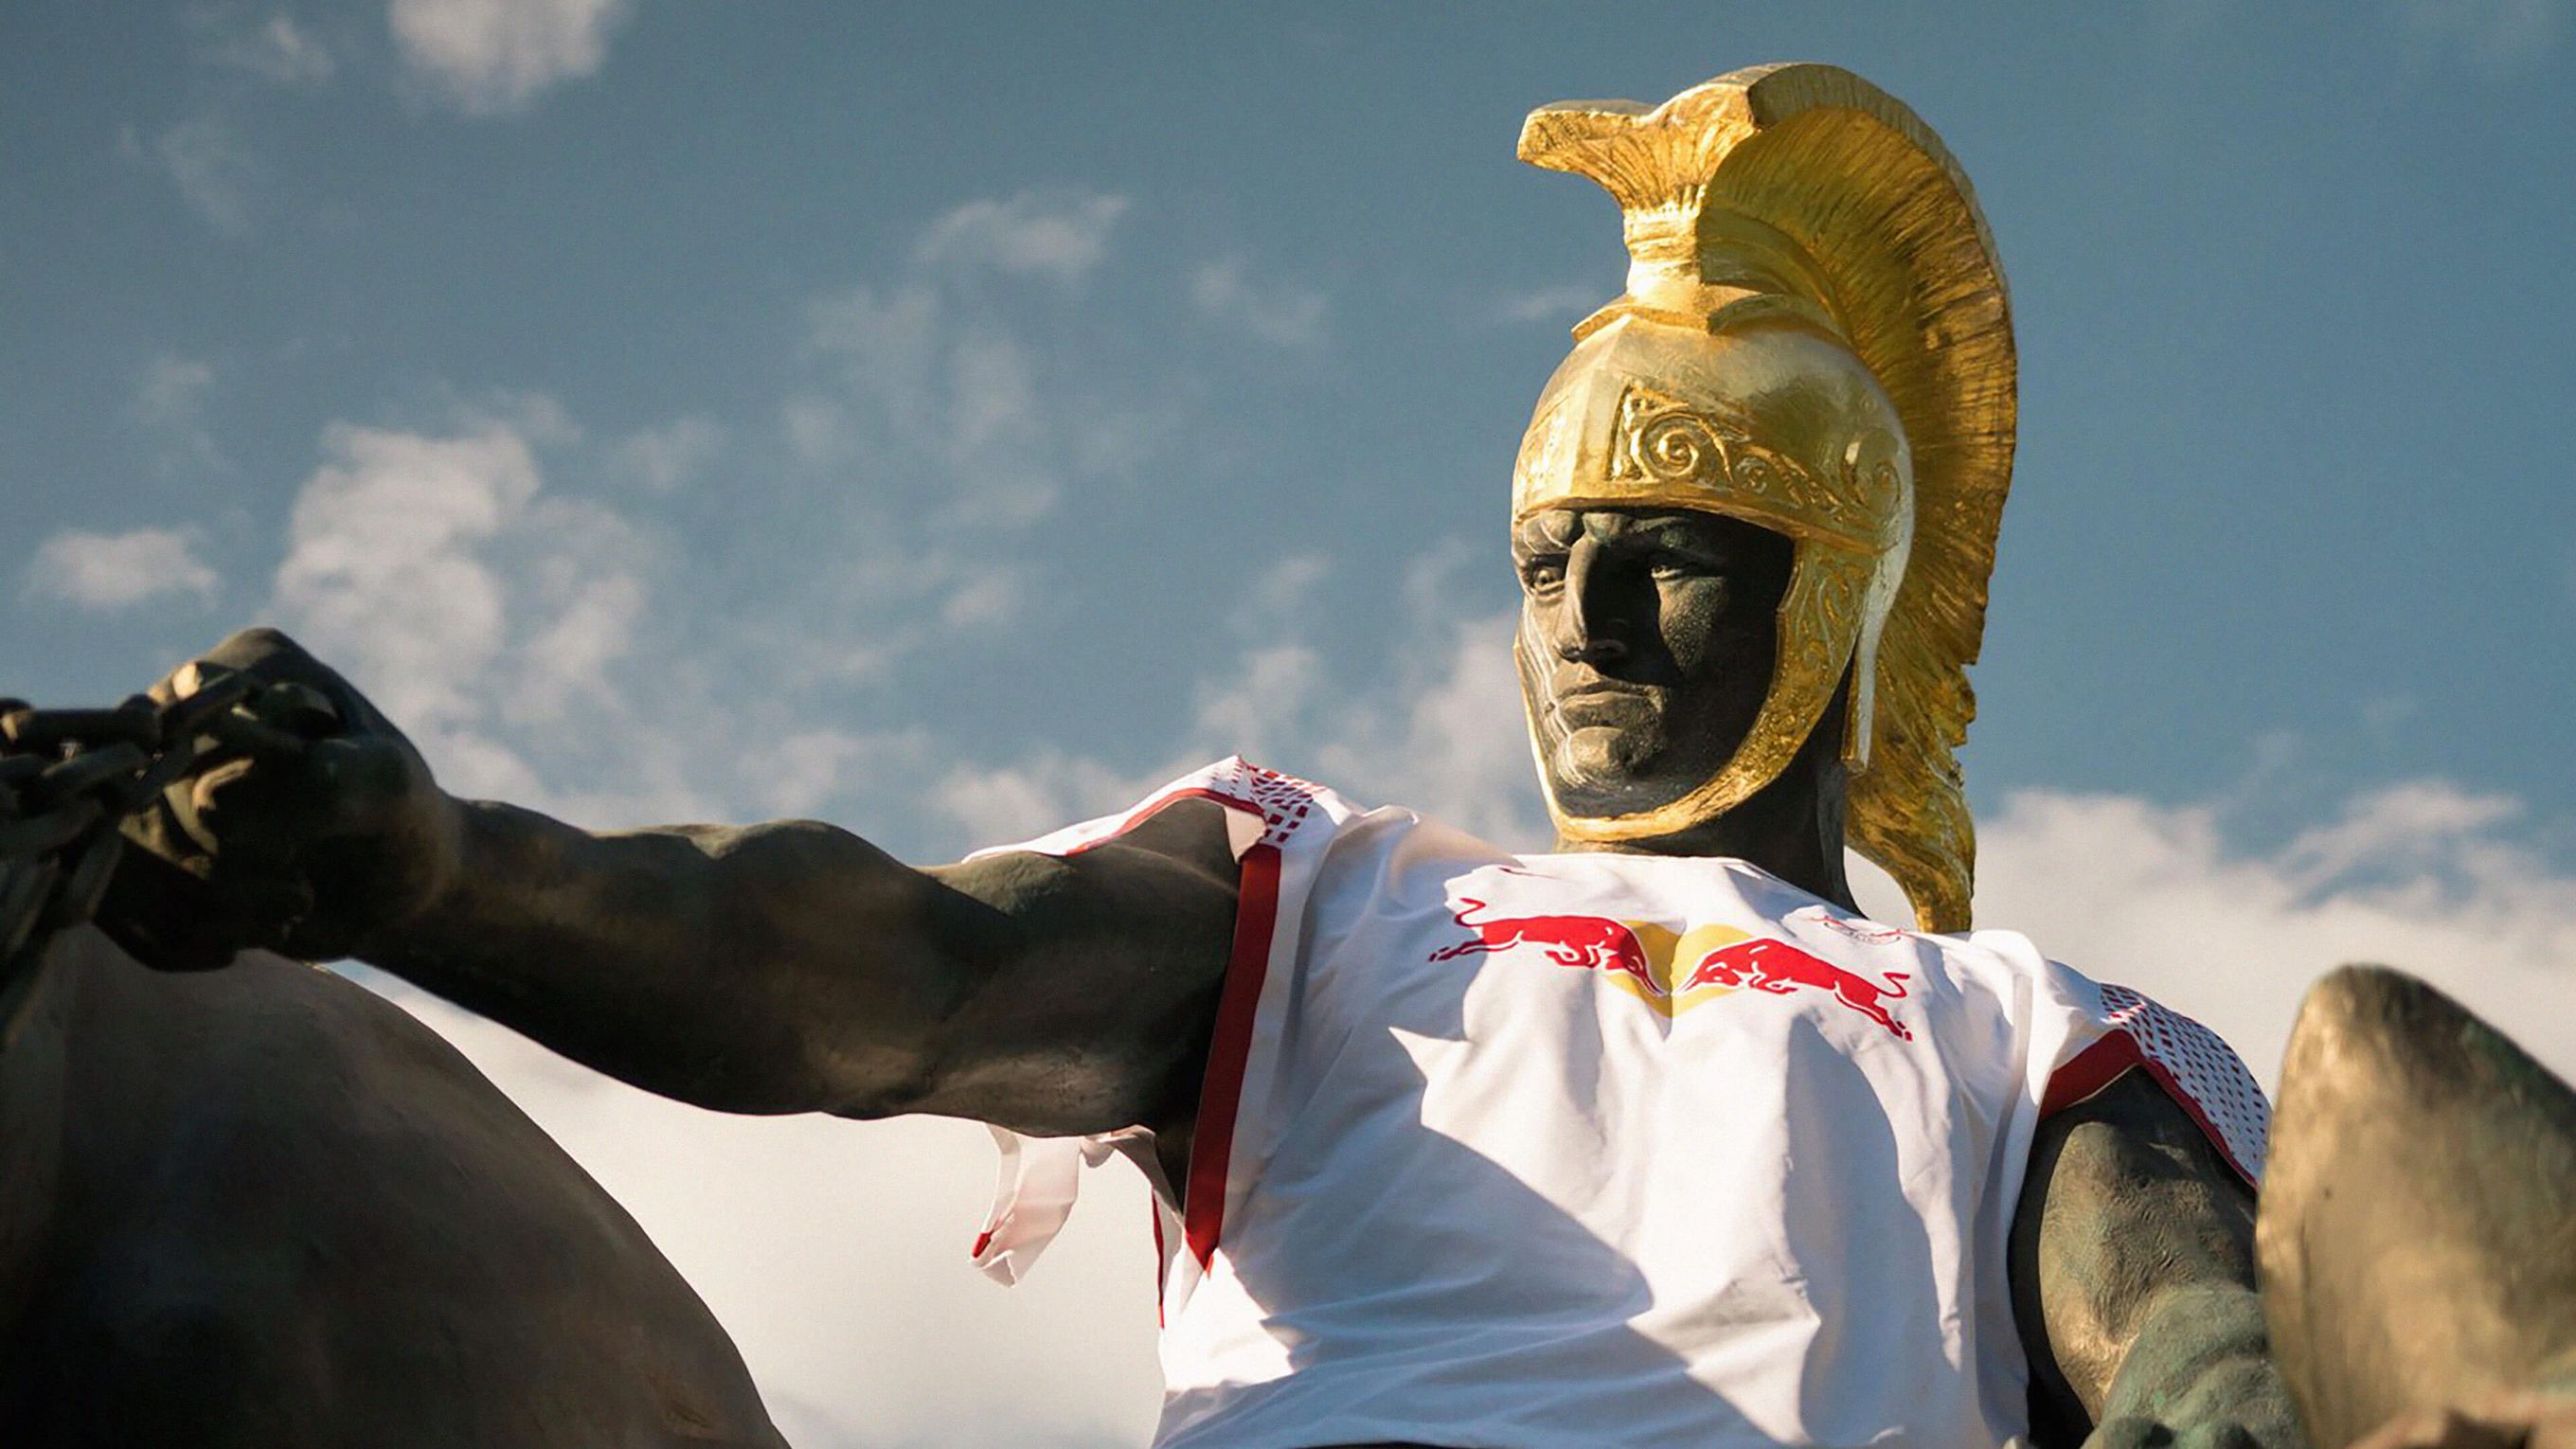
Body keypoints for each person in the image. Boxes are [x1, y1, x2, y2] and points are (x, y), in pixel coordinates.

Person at [118, 65, 2301, 1448]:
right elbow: (896, 969)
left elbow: (2198, 1360)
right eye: (1550, 560)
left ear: (1831, 595)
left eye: (1673, 562)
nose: (1583, 624)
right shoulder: (1327, 890)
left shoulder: (2024, 1031)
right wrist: (438, 871)